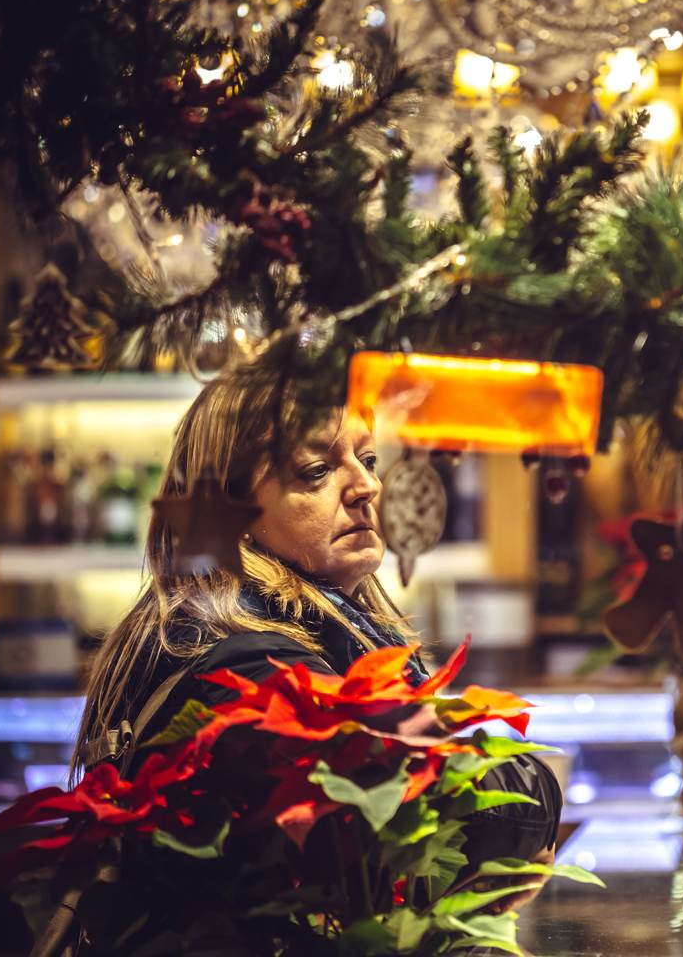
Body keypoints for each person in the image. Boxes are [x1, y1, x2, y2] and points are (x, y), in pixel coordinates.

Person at [73, 359, 561, 907]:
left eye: (368, 458)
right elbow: (448, 826)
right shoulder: (247, 668)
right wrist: (531, 784)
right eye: (317, 471)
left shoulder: (285, 626)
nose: (368, 485)